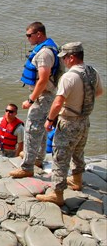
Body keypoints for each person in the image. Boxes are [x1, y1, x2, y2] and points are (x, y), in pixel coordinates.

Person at [36, 42, 103, 205]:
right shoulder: (93, 72)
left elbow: (58, 103)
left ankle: (57, 195)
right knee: (78, 152)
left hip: (68, 122)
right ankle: (77, 180)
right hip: (84, 121)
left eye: (65, 57)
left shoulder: (69, 77)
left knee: (60, 158)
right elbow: (99, 92)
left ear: (72, 57)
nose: (63, 61)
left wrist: (50, 120)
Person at [9, 22, 60, 178]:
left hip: (43, 96)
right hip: (47, 95)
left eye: (29, 35)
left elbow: (43, 79)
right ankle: (38, 158)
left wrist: (31, 100)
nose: (27, 38)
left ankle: (27, 167)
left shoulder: (44, 54)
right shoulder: (49, 48)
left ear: (39, 34)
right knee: (43, 129)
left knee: (31, 130)